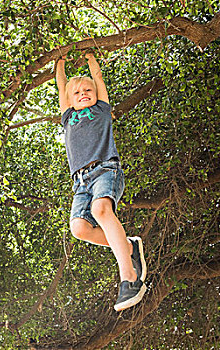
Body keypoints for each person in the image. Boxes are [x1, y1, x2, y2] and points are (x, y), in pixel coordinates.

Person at [55, 53, 147, 311]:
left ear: (96, 93)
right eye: (77, 93)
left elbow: (97, 77)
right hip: (80, 183)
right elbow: (62, 86)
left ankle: (129, 278)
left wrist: (90, 57)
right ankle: (128, 245)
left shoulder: (101, 109)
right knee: (79, 229)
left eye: (87, 90)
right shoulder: (68, 116)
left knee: (101, 210)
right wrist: (60, 63)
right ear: (69, 100)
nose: (83, 93)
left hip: (106, 169)